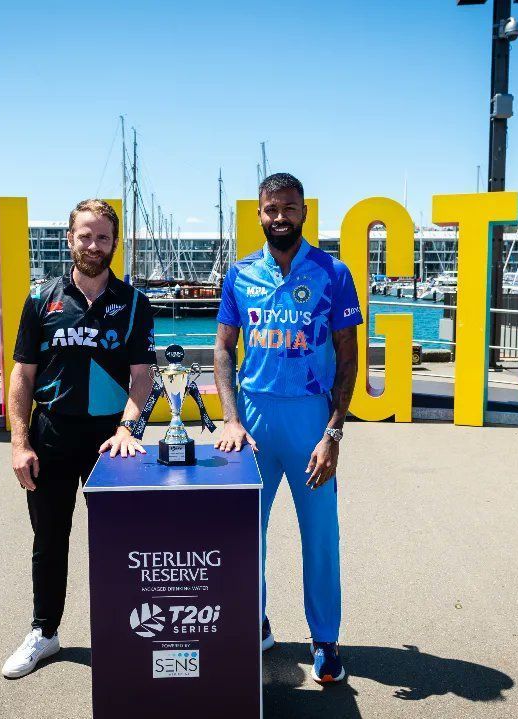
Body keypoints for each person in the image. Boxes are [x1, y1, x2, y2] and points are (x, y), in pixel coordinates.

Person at [213, 173, 361, 684]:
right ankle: (255, 623)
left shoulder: (332, 271)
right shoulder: (239, 274)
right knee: (244, 533)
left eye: (289, 208)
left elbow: (348, 356)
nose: (280, 217)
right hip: (253, 419)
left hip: (309, 419)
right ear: (259, 214)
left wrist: (333, 432)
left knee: (320, 535)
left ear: (304, 211)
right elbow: (225, 349)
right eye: (271, 209)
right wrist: (230, 417)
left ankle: (325, 640)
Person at [2, 199, 155, 678]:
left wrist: (129, 428)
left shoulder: (134, 304)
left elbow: (143, 377)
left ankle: (127, 632)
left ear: (115, 243)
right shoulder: (39, 298)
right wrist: (19, 442)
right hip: (51, 434)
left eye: (104, 237)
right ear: (70, 239)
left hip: (111, 439)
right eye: (85, 236)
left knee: (119, 540)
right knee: (50, 538)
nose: (94, 245)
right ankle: (44, 633)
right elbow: (22, 376)